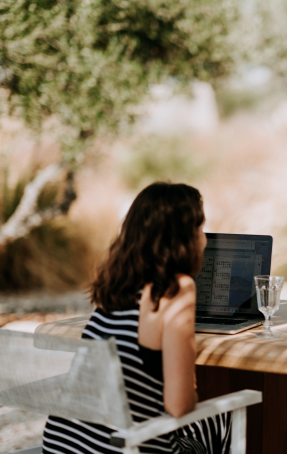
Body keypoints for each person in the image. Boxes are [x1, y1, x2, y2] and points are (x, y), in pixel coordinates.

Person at [42, 183, 230, 454]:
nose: (205, 239)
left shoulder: (116, 283)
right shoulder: (176, 289)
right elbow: (178, 406)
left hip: (62, 445)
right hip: (125, 448)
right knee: (221, 418)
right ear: (183, 238)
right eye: (200, 228)